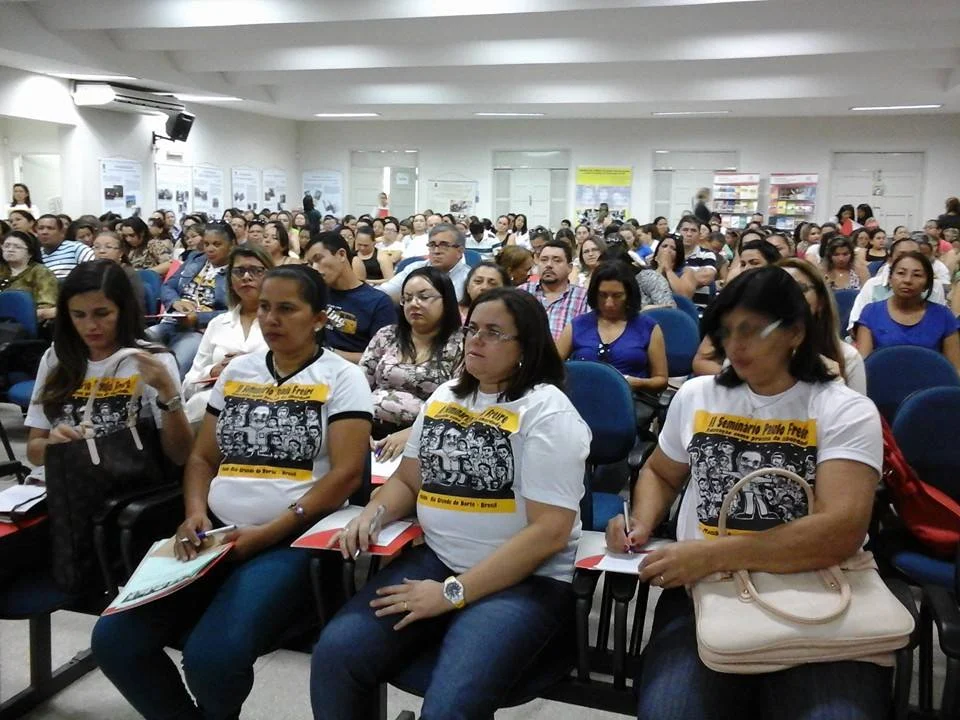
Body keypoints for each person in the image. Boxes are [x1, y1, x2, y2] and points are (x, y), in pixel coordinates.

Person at [92, 264, 373, 720]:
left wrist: (268, 533)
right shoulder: (240, 371)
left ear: (319, 319)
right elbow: (202, 459)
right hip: (215, 533)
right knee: (114, 640)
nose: (271, 319)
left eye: (287, 309)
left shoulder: (341, 377)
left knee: (212, 659)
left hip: (291, 538)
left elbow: (344, 476)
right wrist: (194, 513)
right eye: (264, 307)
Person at [611, 265, 890, 720]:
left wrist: (711, 555)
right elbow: (661, 473)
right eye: (726, 331)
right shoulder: (698, 395)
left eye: (752, 330)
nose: (735, 345)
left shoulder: (844, 410)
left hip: (816, 589)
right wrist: (641, 519)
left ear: (796, 332)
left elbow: (839, 530)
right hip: (707, 593)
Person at [311, 287, 590, 720]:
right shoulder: (446, 396)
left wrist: (450, 594)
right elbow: (408, 480)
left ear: (526, 346)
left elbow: (549, 532)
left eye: (493, 332)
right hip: (440, 559)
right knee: (337, 655)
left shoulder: (548, 412)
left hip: (526, 580)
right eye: (472, 329)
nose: (475, 340)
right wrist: (373, 512)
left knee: (449, 708)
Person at [26, 260, 192, 475]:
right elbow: (33, 451)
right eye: (78, 315)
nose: (90, 326)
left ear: (123, 311)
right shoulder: (56, 357)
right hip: (68, 482)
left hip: (128, 482)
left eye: (102, 313)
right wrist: (52, 445)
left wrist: (167, 392)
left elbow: (180, 455)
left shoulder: (151, 360)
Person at [360, 267, 464, 456]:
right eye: (407, 299)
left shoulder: (461, 344)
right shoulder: (387, 335)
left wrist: (413, 433)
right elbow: (359, 385)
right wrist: (356, 424)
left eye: (424, 297)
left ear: (446, 300)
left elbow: (458, 406)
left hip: (427, 436)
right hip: (368, 429)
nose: (413, 304)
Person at [182, 246, 273, 424]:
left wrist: (247, 364)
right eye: (239, 271)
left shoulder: (283, 322)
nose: (246, 277)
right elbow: (188, 386)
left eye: (256, 271)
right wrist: (213, 371)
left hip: (263, 408)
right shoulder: (218, 324)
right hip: (209, 408)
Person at [556, 261, 668, 397]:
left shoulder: (648, 327)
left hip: (631, 399)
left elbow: (661, 380)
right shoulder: (578, 325)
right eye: (602, 295)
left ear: (629, 295)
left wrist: (637, 383)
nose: (609, 303)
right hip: (581, 397)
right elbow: (551, 368)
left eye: (617, 296)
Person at [148, 223, 235, 377]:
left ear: (232, 245)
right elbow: (168, 286)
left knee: (176, 366)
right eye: (206, 244)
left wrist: (197, 318)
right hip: (173, 321)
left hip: (200, 330)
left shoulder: (236, 271)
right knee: (135, 348)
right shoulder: (195, 259)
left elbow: (232, 311)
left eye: (217, 244)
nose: (210, 249)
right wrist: (175, 302)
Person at [855, 251, 960, 370]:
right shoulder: (871, 312)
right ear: (890, 279)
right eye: (901, 273)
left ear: (927, 284)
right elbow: (864, 367)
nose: (908, 280)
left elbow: (955, 369)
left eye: (917, 275)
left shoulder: (944, 316)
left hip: (932, 380)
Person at [304, 231, 396, 364]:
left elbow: (382, 357)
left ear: (341, 255)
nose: (315, 268)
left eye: (318, 259)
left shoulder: (378, 302)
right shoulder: (315, 295)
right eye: (311, 263)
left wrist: (327, 353)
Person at [778, 258, 867, 395]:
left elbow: (859, 408)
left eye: (800, 289)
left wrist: (835, 385)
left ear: (820, 301)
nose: (788, 298)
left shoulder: (848, 357)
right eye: (778, 291)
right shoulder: (751, 355)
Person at [846, 236, 947, 333]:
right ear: (890, 260)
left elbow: (941, 327)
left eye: (914, 256)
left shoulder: (934, 287)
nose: (908, 260)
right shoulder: (872, 286)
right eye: (902, 255)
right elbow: (855, 326)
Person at [378, 223, 471, 303]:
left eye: (444, 245)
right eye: (432, 245)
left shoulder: (469, 278)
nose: (436, 251)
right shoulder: (414, 269)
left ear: (460, 251)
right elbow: (383, 292)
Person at [516, 239, 588, 341]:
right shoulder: (522, 292)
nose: (549, 265)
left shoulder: (583, 297)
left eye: (557, 260)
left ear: (569, 267)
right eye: (544, 260)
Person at [0, 230, 58, 321]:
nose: (10, 250)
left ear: (30, 253)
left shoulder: (41, 272)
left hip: (23, 323)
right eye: (6, 246)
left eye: (17, 247)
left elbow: (47, 307)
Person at [91, 230, 145, 313]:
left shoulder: (128, 273)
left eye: (108, 247)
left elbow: (136, 306)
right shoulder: (89, 273)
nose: (101, 251)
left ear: (120, 253)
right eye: (97, 247)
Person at [35, 214, 95, 281]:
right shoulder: (35, 256)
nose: (44, 232)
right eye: (41, 228)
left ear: (61, 232)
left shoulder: (77, 248)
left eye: (50, 228)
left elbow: (94, 272)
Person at [677, 215, 718, 309]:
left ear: (699, 234)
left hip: (698, 308)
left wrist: (673, 278)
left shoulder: (707, 254)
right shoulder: (670, 252)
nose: (689, 234)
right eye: (685, 230)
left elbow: (706, 277)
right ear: (678, 232)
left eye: (693, 230)